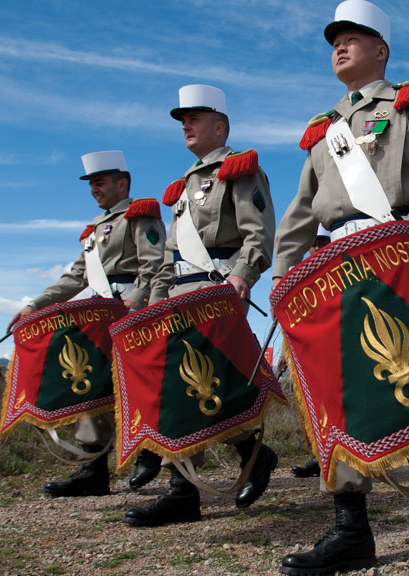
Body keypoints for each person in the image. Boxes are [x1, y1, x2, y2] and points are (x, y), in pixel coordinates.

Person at [272, 1, 409, 571]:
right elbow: (301, 211)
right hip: (333, 267)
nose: (339, 46)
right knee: (337, 390)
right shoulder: (322, 130)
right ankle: (351, 529)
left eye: (352, 37)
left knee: (405, 369)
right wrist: (282, 277)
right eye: (334, 39)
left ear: (380, 50)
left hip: (394, 253)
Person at [124, 83, 279, 527]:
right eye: (182, 120)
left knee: (213, 385)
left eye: (194, 118)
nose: (186, 126)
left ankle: (240, 460)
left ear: (220, 126)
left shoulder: (239, 169)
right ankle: (192, 485)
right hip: (176, 297)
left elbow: (258, 235)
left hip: (217, 295)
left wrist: (242, 276)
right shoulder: (182, 187)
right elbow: (168, 259)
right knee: (180, 392)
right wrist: (153, 306)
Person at [7, 150, 165, 497]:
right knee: (91, 384)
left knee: (140, 382)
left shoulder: (140, 215)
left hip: (130, 311)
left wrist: (137, 300)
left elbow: (154, 265)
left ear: (122, 183)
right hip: (99, 314)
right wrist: (34, 304)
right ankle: (93, 470)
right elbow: (75, 276)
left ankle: (150, 450)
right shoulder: (94, 231)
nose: (94, 189)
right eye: (91, 184)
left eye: (100, 182)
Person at [288, 224, 332, 480]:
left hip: (336, 347)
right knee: (313, 405)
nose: (315, 248)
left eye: (321, 242)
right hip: (310, 352)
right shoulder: (300, 274)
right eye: (312, 244)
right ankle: (319, 455)